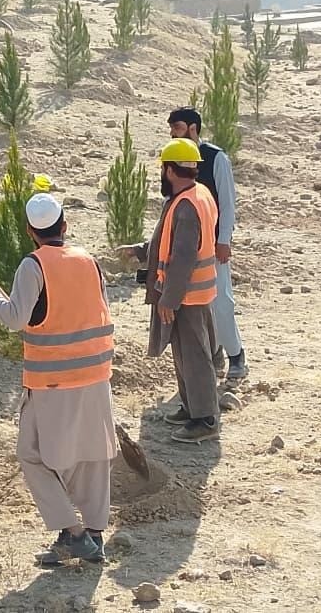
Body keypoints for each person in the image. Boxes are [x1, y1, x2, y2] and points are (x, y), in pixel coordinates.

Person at [0, 193, 116, 563]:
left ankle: (72, 532)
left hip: (52, 380)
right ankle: (95, 536)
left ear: (30, 231)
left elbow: (16, 318)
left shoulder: (33, 266)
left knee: (31, 454)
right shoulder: (89, 261)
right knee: (94, 455)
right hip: (96, 375)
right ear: (64, 226)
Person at [119, 138, 220, 444]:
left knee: (195, 357)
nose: (161, 174)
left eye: (163, 168)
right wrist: (140, 251)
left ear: (171, 170)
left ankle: (205, 419)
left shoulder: (187, 204)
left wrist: (170, 298)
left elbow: (184, 256)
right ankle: (192, 409)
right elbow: (168, 240)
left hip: (186, 295)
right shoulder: (194, 195)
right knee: (185, 355)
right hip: (190, 294)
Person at [167, 107, 247, 379]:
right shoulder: (173, 160)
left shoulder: (215, 158)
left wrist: (224, 239)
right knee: (194, 308)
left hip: (212, 247)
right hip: (185, 249)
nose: (172, 133)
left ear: (192, 128)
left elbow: (227, 202)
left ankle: (236, 355)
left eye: (176, 127)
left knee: (221, 302)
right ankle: (211, 359)